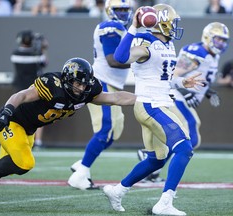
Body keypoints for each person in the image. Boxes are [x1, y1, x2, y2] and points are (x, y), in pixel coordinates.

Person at [0, 57, 137, 209]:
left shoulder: (88, 92)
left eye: (84, 84)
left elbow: (116, 97)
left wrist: (144, 99)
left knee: (8, 166)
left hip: (28, 129)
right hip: (11, 122)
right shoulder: (52, 84)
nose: (81, 88)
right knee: (24, 163)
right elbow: (22, 95)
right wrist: (6, 112)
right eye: (77, 83)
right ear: (67, 79)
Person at [102, 4, 204, 215]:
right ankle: (165, 203)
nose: (175, 26)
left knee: (156, 159)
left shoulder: (167, 44)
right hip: (151, 105)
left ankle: (118, 190)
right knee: (184, 148)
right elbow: (120, 58)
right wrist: (133, 28)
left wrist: (183, 81)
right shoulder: (147, 41)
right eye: (173, 22)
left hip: (157, 102)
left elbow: (163, 79)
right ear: (163, 22)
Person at [138, 22, 230, 182]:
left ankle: (153, 164)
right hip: (175, 95)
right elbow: (173, 74)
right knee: (190, 131)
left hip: (181, 96)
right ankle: (152, 161)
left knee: (192, 135)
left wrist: (206, 91)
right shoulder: (197, 52)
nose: (221, 43)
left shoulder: (212, 55)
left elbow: (199, 76)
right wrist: (184, 90)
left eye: (224, 40)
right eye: (218, 39)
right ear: (208, 37)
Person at [67, 0, 133, 190]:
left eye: (125, 9)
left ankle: (81, 164)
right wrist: (139, 61)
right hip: (102, 82)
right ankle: (81, 173)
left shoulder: (121, 28)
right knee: (106, 129)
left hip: (112, 84)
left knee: (114, 131)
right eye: (119, 9)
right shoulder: (111, 26)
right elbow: (113, 60)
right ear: (109, 11)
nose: (122, 13)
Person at [10, 30, 49, 148]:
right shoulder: (36, 55)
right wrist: (42, 49)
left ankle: (20, 140)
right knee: (38, 115)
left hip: (20, 89)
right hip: (35, 89)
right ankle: (38, 141)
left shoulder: (15, 54)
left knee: (20, 115)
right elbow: (44, 63)